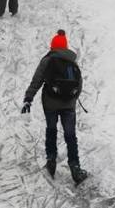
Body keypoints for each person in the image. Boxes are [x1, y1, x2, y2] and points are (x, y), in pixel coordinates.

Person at [21, 30, 87, 184]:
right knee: (70, 136)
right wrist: (70, 99)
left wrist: (28, 98)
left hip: (50, 102)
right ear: (65, 46)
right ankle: (75, 168)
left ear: (53, 46)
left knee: (51, 130)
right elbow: (79, 84)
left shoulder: (48, 60)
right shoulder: (72, 61)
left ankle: (51, 162)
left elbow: (37, 80)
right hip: (69, 104)